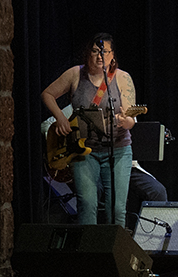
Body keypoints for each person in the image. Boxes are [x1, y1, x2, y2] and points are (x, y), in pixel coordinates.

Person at [41, 33, 137, 227]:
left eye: (105, 52)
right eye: (95, 51)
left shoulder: (122, 78)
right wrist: (60, 118)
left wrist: (125, 121)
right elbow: (48, 94)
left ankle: (115, 253)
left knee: (116, 208)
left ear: (113, 56)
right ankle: (89, 254)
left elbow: (130, 119)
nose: (100, 56)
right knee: (87, 204)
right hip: (83, 151)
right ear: (88, 53)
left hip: (117, 150)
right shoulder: (75, 74)